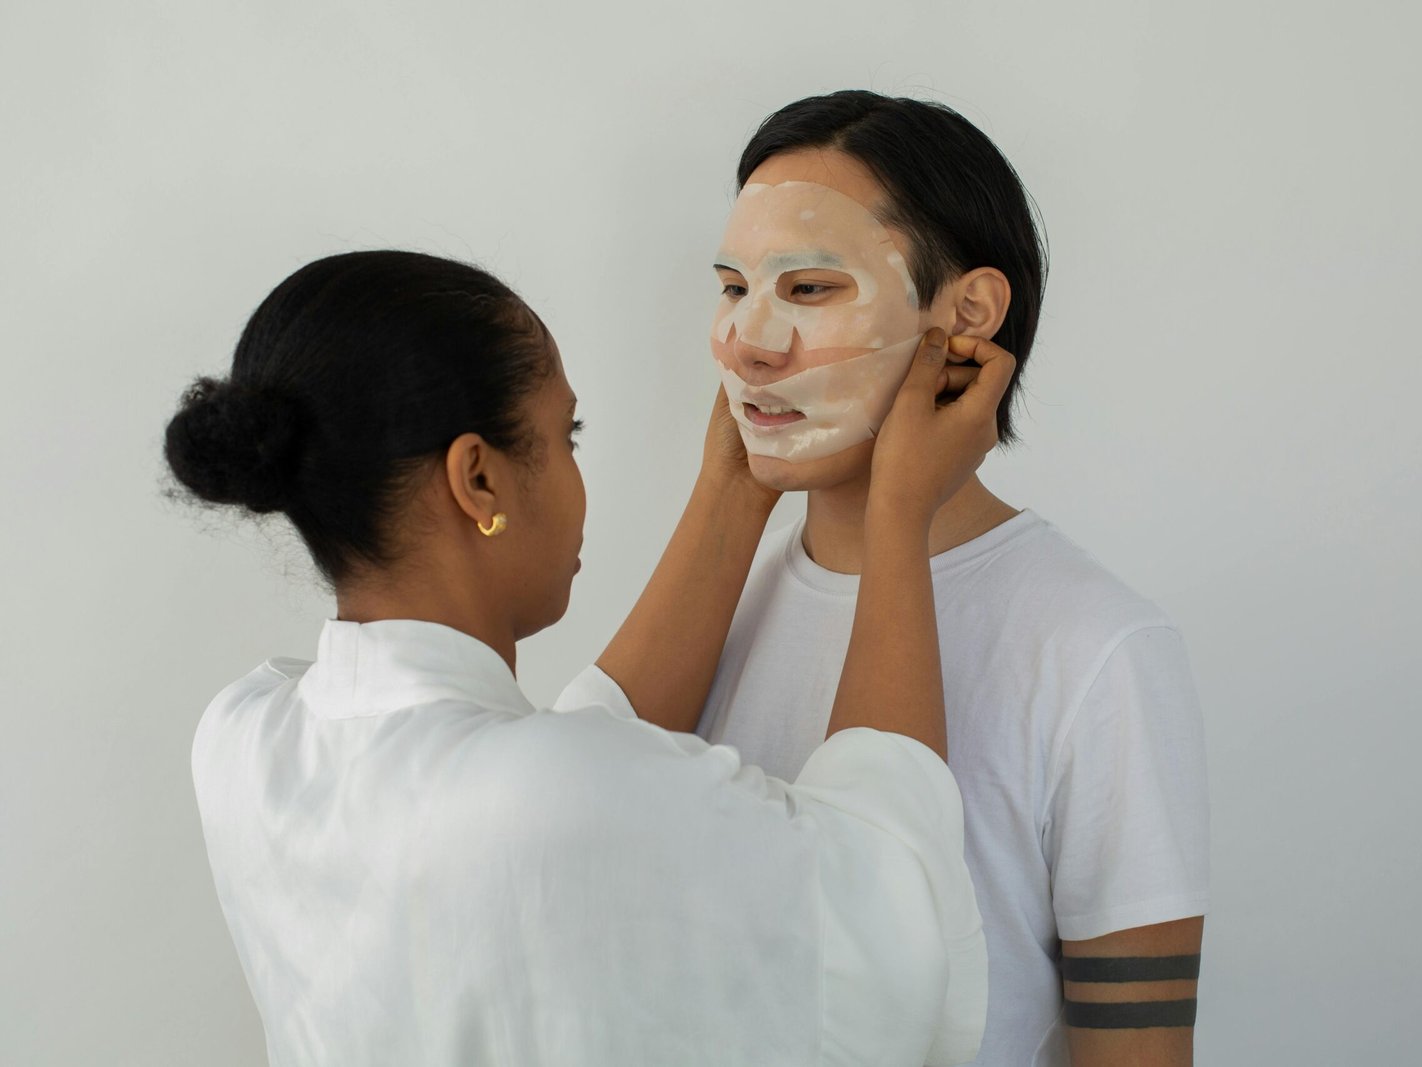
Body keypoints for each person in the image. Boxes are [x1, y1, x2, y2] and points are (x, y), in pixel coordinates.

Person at [164, 249, 1012, 1066]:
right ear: (478, 481)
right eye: (565, 433)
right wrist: (899, 513)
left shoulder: (241, 737)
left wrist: (739, 482)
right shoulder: (543, 793)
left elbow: (559, 780)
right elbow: (889, 922)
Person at [668, 91, 1212, 1066]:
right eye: (729, 285)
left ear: (966, 316)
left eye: (808, 289)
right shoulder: (716, 615)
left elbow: (1137, 1052)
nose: (747, 340)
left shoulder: (1098, 648)